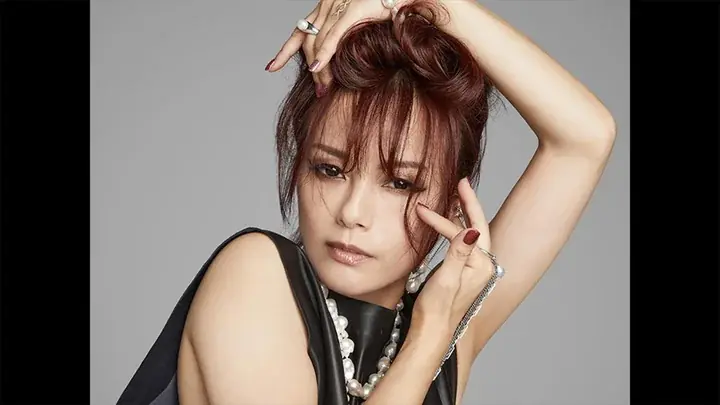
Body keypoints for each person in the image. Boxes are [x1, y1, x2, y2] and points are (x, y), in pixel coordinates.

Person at [116, 0, 616, 404]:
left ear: (453, 205)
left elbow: (585, 138)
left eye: (399, 183)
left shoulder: (443, 326)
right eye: (330, 170)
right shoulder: (252, 276)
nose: (352, 214)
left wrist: (422, 3)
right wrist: (430, 338)